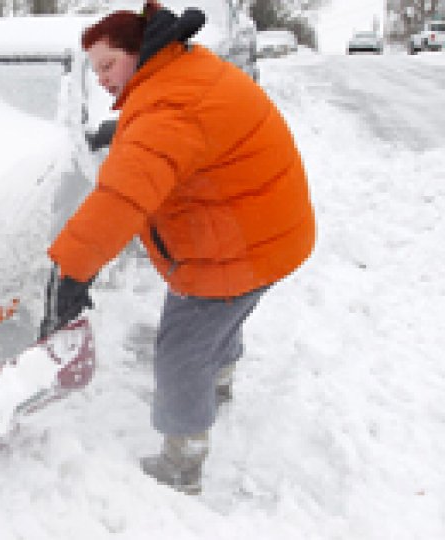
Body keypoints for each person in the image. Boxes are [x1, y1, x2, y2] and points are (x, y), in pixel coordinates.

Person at [39, 1, 316, 495]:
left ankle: (182, 459)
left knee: (182, 353)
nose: (101, 79)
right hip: (269, 235)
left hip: (237, 250)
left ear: (138, 52)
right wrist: (122, 132)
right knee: (222, 318)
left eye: (108, 65)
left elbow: (121, 198)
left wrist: (73, 272)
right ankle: (221, 380)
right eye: (95, 69)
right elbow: (167, 142)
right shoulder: (182, 72)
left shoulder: (168, 107)